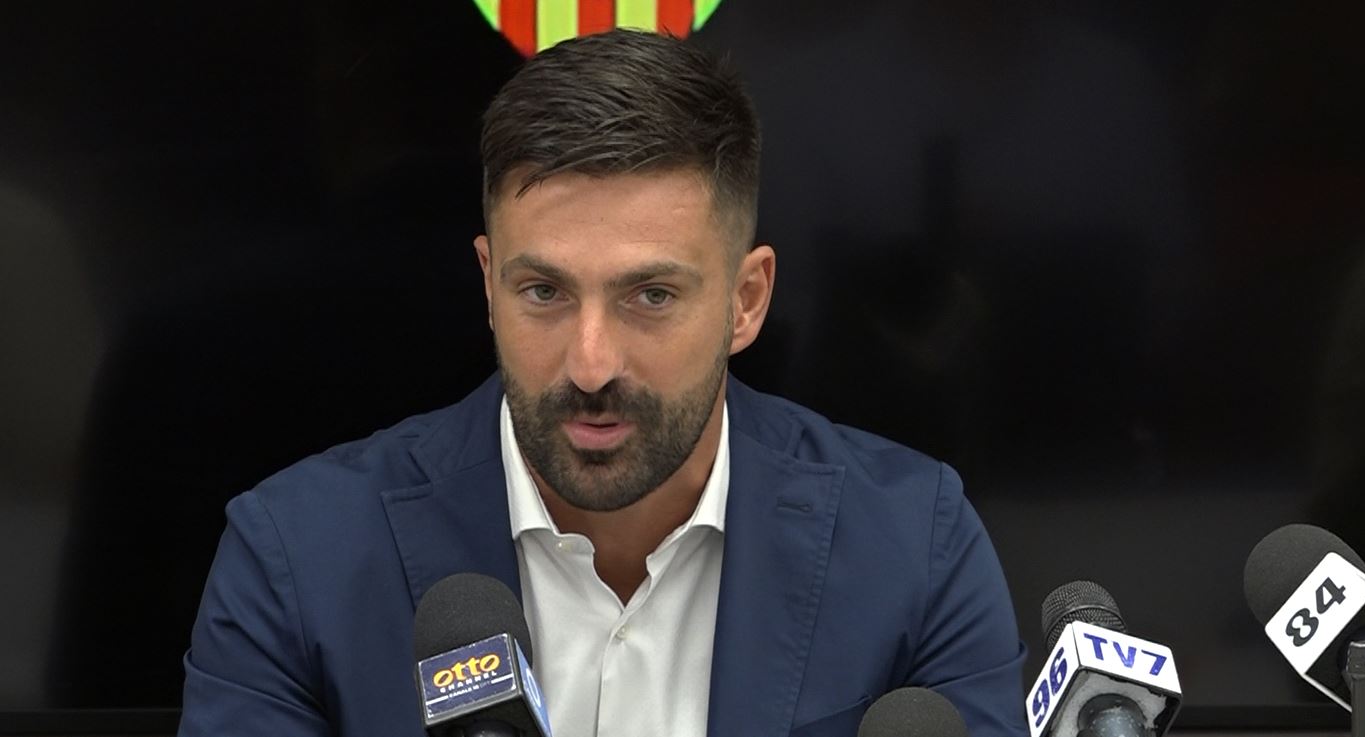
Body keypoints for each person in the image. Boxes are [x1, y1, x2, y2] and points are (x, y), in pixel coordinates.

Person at [178, 28, 1027, 737]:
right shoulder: (294, 558)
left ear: (745, 301)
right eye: (543, 292)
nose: (590, 364)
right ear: (488, 285)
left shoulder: (915, 545)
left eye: (649, 296)